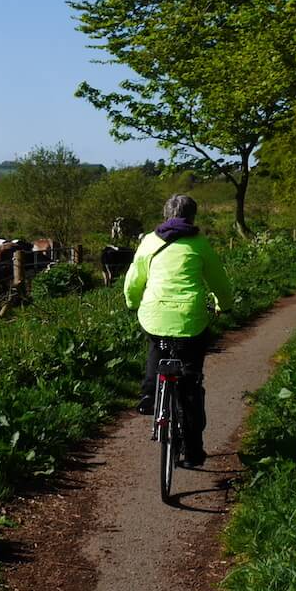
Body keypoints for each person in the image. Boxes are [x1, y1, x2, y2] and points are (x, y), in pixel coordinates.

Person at [123, 194, 235, 468]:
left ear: (165, 215)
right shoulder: (200, 244)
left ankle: (150, 393)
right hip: (190, 317)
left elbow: (133, 279)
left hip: (154, 312)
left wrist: (132, 301)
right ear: (193, 217)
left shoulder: (149, 242)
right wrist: (224, 305)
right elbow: (218, 282)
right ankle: (193, 449)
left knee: (157, 344)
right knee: (190, 381)